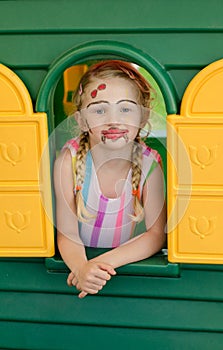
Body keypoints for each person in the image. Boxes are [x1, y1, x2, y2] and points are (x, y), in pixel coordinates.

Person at [54, 60, 166, 298]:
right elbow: (67, 234)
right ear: (82, 121)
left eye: (125, 109)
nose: (113, 120)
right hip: (82, 265)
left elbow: (156, 236)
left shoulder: (149, 165)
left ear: (143, 118)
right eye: (99, 110)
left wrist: (97, 266)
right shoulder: (68, 161)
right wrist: (80, 266)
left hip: (111, 269)